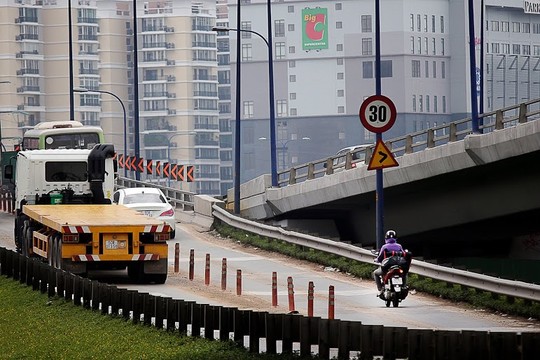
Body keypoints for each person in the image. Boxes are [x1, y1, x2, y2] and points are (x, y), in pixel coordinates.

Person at [373, 230, 405, 297]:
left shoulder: (384, 247)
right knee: (404, 274)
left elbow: (380, 258)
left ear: (386, 238)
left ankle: (380, 289)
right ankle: (404, 286)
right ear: (395, 238)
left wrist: (376, 260)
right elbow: (403, 255)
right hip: (399, 266)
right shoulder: (399, 246)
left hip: (387, 267)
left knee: (375, 273)